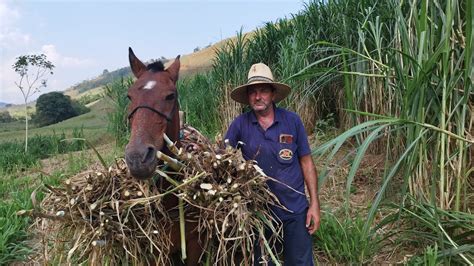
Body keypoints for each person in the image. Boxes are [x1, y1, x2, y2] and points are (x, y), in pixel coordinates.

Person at [225, 63, 320, 265]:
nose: (258, 97)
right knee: (264, 262)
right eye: (252, 92)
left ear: (273, 94)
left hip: (295, 210)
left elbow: (307, 162)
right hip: (260, 214)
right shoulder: (239, 125)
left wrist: (314, 204)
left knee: (300, 262)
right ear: (248, 97)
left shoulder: (292, 121)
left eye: (263, 91)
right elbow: (223, 158)